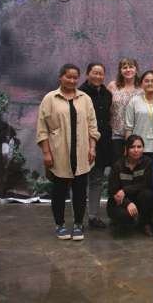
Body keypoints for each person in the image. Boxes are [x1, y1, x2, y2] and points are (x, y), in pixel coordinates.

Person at [36, 64, 100, 240]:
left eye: (75, 77)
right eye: (68, 77)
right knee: (59, 192)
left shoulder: (85, 99)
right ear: (60, 77)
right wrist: (46, 153)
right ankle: (60, 225)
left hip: (82, 153)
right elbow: (42, 129)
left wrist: (92, 147)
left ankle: (78, 224)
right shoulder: (50, 99)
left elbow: (93, 126)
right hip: (59, 154)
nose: (72, 80)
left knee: (80, 192)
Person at [78, 62, 112, 230]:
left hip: (102, 142)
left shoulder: (107, 94)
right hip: (83, 142)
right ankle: (78, 218)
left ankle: (93, 216)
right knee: (80, 181)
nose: (98, 76)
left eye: (101, 73)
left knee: (97, 180)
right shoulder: (80, 93)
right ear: (88, 74)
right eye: (95, 73)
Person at [106, 134, 153, 236]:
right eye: (132, 147)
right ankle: (121, 222)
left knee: (148, 194)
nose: (136, 150)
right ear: (127, 149)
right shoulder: (118, 165)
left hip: (139, 198)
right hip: (120, 202)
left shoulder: (148, 163)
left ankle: (145, 223)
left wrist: (125, 190)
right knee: (124, 220)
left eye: (139, 147)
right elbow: (112, 190)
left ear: (143, 148)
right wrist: (127, 203)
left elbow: (146, 184)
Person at [107, 57, 141, 159]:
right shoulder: (113, 86)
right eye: (124, 67)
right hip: (117, 133)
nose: (128, 70)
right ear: (120, 71)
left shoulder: (142, 87)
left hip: (136, 133)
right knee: (117, 163)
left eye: (131, 67)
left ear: (136, 69)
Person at [124, 70, 153, 161]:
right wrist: (128, 147)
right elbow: (129, 127)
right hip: (137, 149)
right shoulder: (134, 101)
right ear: (141, 84)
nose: (150, 83)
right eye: (146, 81)